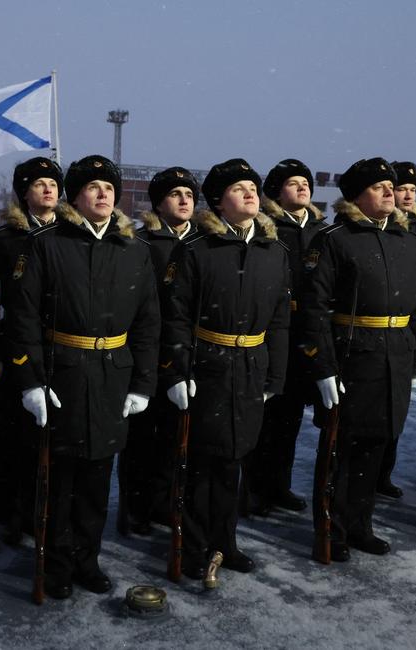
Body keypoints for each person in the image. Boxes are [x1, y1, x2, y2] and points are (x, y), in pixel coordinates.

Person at [6, 154, 160, 599]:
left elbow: (149, 322)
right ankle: (54, 563)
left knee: (97, 480)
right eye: (93, 187)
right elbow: (23, 319)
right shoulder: (48, 244)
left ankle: (86, 560)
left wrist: (143, 383)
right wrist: (31, 380)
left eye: (109, 188)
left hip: (114, 376)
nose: (103, 195)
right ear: (75, 196)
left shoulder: (134, 250)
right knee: (59, 479)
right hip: (63, 377)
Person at [161, 158, 290, 577]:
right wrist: (179, 371)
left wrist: (276, 374)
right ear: (218, 202)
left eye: (253, 187)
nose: (250, 193)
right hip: (208, 367)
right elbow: (175, 315)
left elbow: (280, 321)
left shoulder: (275, 251)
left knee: (235, 460)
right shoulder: (196, 249)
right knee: (202, 465)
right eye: (239, 189)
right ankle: (195, 547)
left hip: (252, 366)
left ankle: (226, 542)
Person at [302, 158, 416, 560]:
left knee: (377, 448)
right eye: (379, 187)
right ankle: (331, 530)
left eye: (391, 185)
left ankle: (360, 525)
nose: (390, 192)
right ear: (357, 195)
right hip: (353, 357)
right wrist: (322, 366)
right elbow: (313, 307)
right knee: (342, 451)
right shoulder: (335, 238)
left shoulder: (407, 240)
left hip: (395, 355)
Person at [241, 158, 327, 518]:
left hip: (306, 333)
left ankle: (279, 485)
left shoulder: (321, 231)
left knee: (290, 418)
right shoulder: (268, 228)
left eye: (305, 182)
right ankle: (253, 489)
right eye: (293, 183)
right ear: (276, 191)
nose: (302, 188)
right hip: (274, 331)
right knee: (264, 418)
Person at [0, 156, 63, 546]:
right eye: (38, 184)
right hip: (14, 348)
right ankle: (9, 514)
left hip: (58, 349)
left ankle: (40, 511)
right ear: (24, 194)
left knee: (48, 440)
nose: (48, 190)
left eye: (52, 183)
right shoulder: (3, 240)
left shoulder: (69, 236)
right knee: (12, 441)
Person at [125, 166, 200, 535]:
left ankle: (163, 504)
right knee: (142, 439)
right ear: (158, 203)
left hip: (186, 353)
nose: (184, 200)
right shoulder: (142, 244)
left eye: (189, 195)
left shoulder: (203, 243)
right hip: (149, 354)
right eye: (175, 194)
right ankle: (134, 509)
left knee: (175, 437)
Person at [369, 161, 416, 499]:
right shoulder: (379, 227)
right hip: (376, 322)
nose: (407, 195)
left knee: (396, 411)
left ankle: (385, 473)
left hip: (405, 321)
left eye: (413, 190)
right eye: (402, 189)